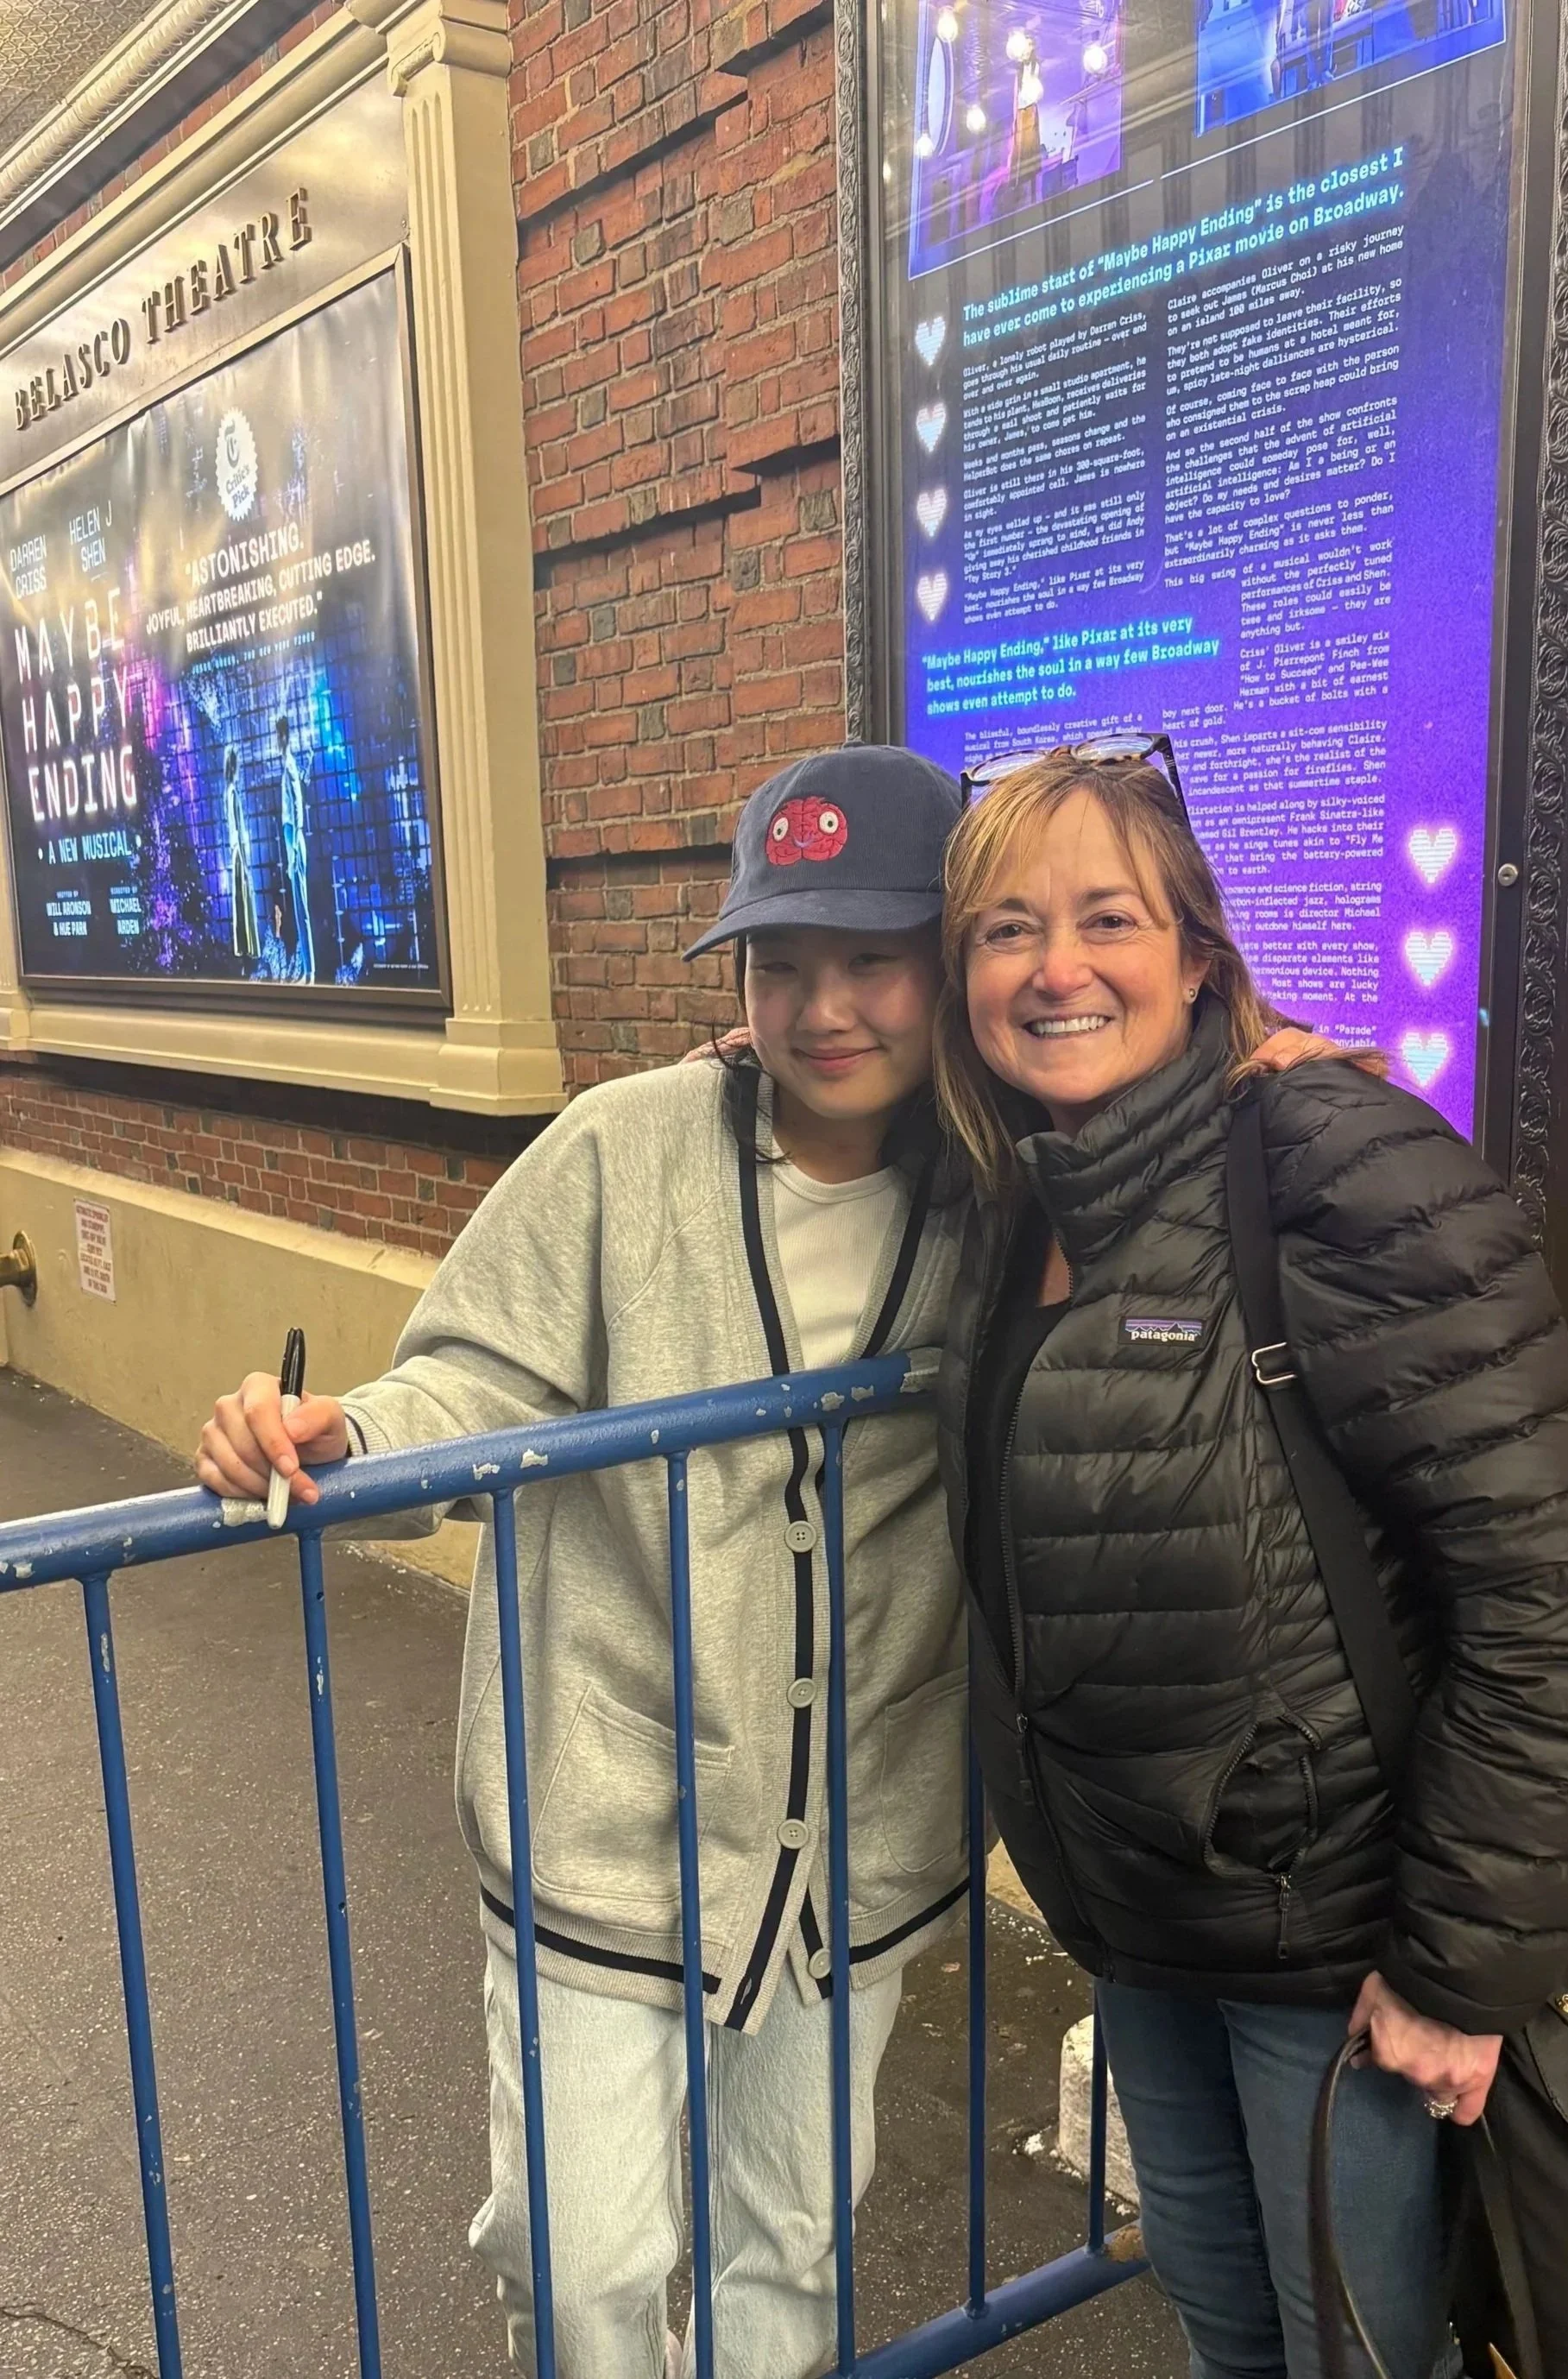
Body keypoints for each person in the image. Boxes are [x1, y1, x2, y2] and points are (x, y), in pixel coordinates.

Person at [193, 741, 1343, 2379]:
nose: (823, 1007)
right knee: (577, 2267)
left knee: (787, 2251)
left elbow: (1158, 1102)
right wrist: (346, 1441)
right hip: (604, 1824)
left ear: (940, 972)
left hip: (847, 1847)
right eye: (780, 961)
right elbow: (472, 1380)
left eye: (870, 959)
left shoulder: (1009, 1185)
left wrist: (1262, 1068)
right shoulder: (617, 1148)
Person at [928, 740, 1568, 2379]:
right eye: (1002, 931)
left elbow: (1557, 1584)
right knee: (1226, 2330)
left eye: (1105, 918)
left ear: (1195, 950)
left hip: (1331, 1949)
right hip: (1145, 1918)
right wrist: (758, 1048)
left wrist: (1459, 1967)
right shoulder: (1018, 1192)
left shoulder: (1325, 1158)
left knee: (1353, 2355)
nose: (1055, 971)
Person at [274, 715, 315, 981]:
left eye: (279, 736)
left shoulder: (289, 764)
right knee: (300, 914)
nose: (278, 741)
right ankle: (307, 969)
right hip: (292, 837)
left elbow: (297, 807)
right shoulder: (289, 764)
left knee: (303, 912)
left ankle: (310, 971)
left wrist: (295, 850)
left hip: (294, 837)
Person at [222, 745, 261, 962]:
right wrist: (243, 859)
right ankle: (248, 948)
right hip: (238, 853)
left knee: (241, 899)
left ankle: (244, 947)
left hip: (235, 851)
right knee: (244, 897)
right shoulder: (232, 793)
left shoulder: (229, 792)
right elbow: (236, 828)